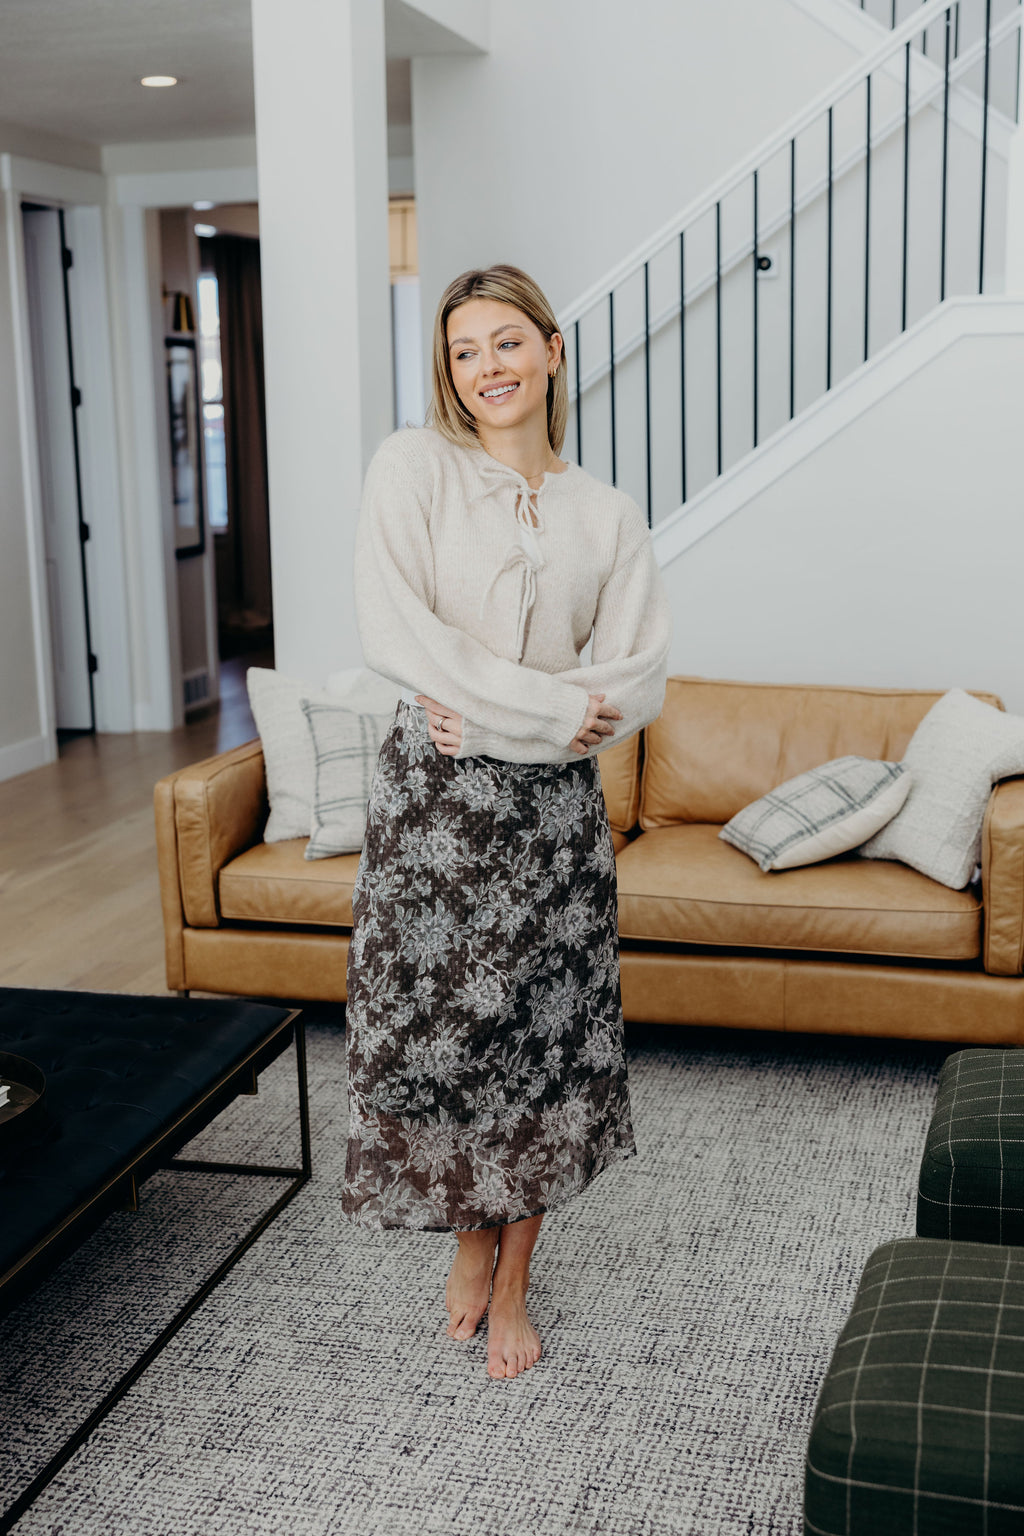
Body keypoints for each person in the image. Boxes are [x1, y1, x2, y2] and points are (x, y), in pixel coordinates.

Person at [343, 263, 672, 1380]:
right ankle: (466, 1245)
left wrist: (499, 718)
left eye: (506, 343)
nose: (486, 367)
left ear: (551, 349)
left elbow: (636, 683)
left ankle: (515, 1278)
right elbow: (402, 638)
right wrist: (546, 707)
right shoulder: (413, 468)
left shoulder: (605, 512)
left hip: (550, 826)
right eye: (463, 351)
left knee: (544, 1048)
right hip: (433, 813)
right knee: (445, 1045)